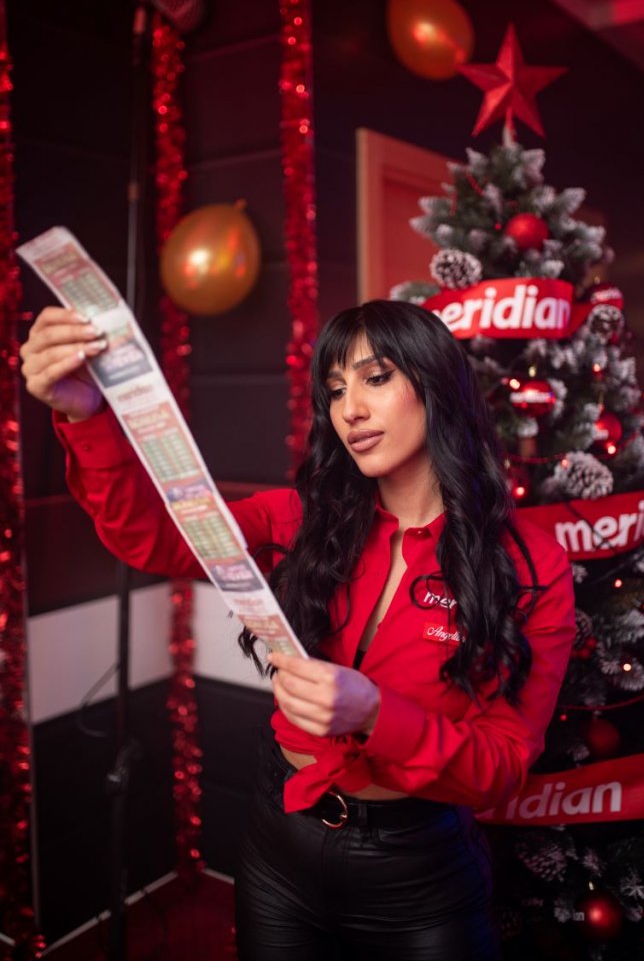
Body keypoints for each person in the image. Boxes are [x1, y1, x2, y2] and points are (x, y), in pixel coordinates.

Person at [21, 299, 576, 961]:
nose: (350, 409)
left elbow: (503, 765)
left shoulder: (531, 565)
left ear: (437, 385)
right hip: (279, 845)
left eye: (375, 378)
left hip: (417, 876)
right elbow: (153, 537)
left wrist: (376, 714)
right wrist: (85, 414)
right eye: (335, 390)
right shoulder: (300, 519)